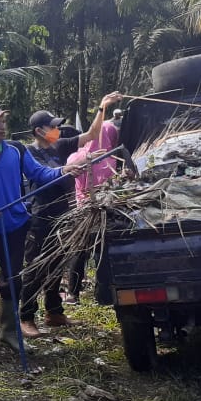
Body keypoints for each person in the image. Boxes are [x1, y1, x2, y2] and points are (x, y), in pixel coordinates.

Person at [0, 104, 77, 352]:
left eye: (3, 121)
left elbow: (40, 174)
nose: (2, 126)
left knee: (11, 280)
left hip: (16, 227)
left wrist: (63, 170)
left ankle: (8, 332)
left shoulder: (16, 151)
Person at [19, 92, 123, 337]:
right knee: (36, 267)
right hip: (41, 217)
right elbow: (45, 174)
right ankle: (26, 316)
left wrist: (101, 108)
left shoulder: (59, 145)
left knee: (56, 264)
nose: (57, 130)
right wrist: (72, 167)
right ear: (38, 131)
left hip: (63, 215)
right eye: (52, 127)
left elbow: (91, 136)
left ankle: (54, 312)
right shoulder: (29, 153)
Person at [64, 119, 137, 302]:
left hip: (83, 210)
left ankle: (73, 293)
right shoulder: (115, 159)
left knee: (79, 251)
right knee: (102, 251)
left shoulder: (76, 157)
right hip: (107, 210)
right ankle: (102, 293)